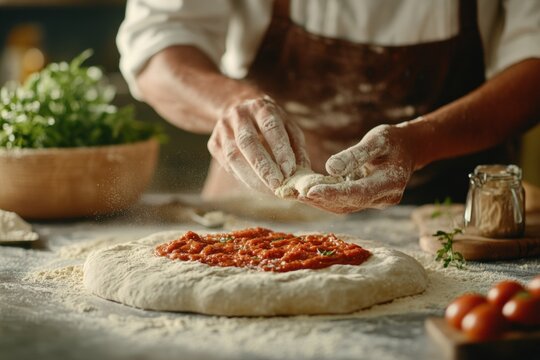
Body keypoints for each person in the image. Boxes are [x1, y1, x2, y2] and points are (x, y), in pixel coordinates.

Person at [117, 0, 540, 213]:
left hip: (456, 215)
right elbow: (158, 42)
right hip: (256, 210)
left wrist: (424, 140)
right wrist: (231, 103)